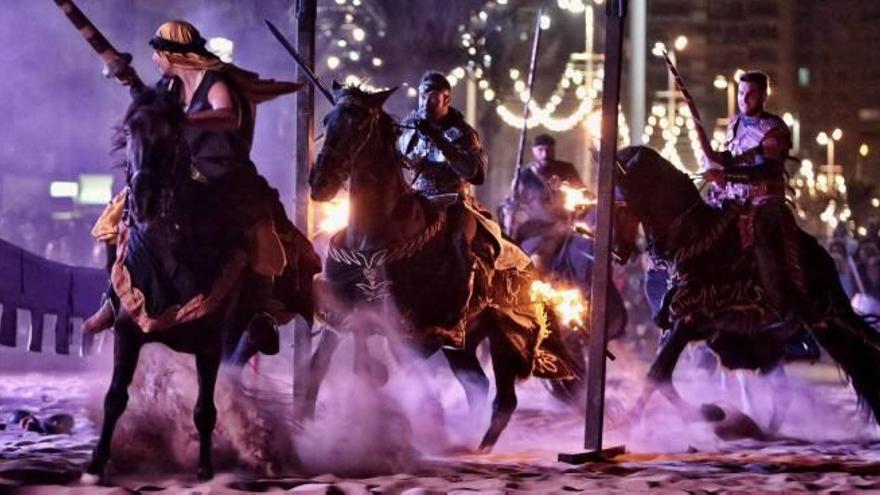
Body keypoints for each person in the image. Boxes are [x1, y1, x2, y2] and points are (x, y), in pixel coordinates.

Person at [83, 20, 313, 351]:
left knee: (261, 232)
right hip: (182, 172)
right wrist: (127, 79)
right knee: (118, 214)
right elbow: (151, 107)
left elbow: (228, 116)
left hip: (226, 176)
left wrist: (184, 119)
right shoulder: (171, 87)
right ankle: (113, 299)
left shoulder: (215, 82)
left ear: (170, 53)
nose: (155, 61)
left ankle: (260, 311)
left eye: (157, 54)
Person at [701, 71, 806, 324]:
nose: (744, 99)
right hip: (733, 200)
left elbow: (765, 169)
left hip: (765, 202)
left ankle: (781, 308)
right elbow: (732, 157)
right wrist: (710, 156)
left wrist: (728, 177)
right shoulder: (735, 123)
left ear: (763, 96)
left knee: (763, 244)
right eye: (740, 93)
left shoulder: (774, 128)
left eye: (751, 94)